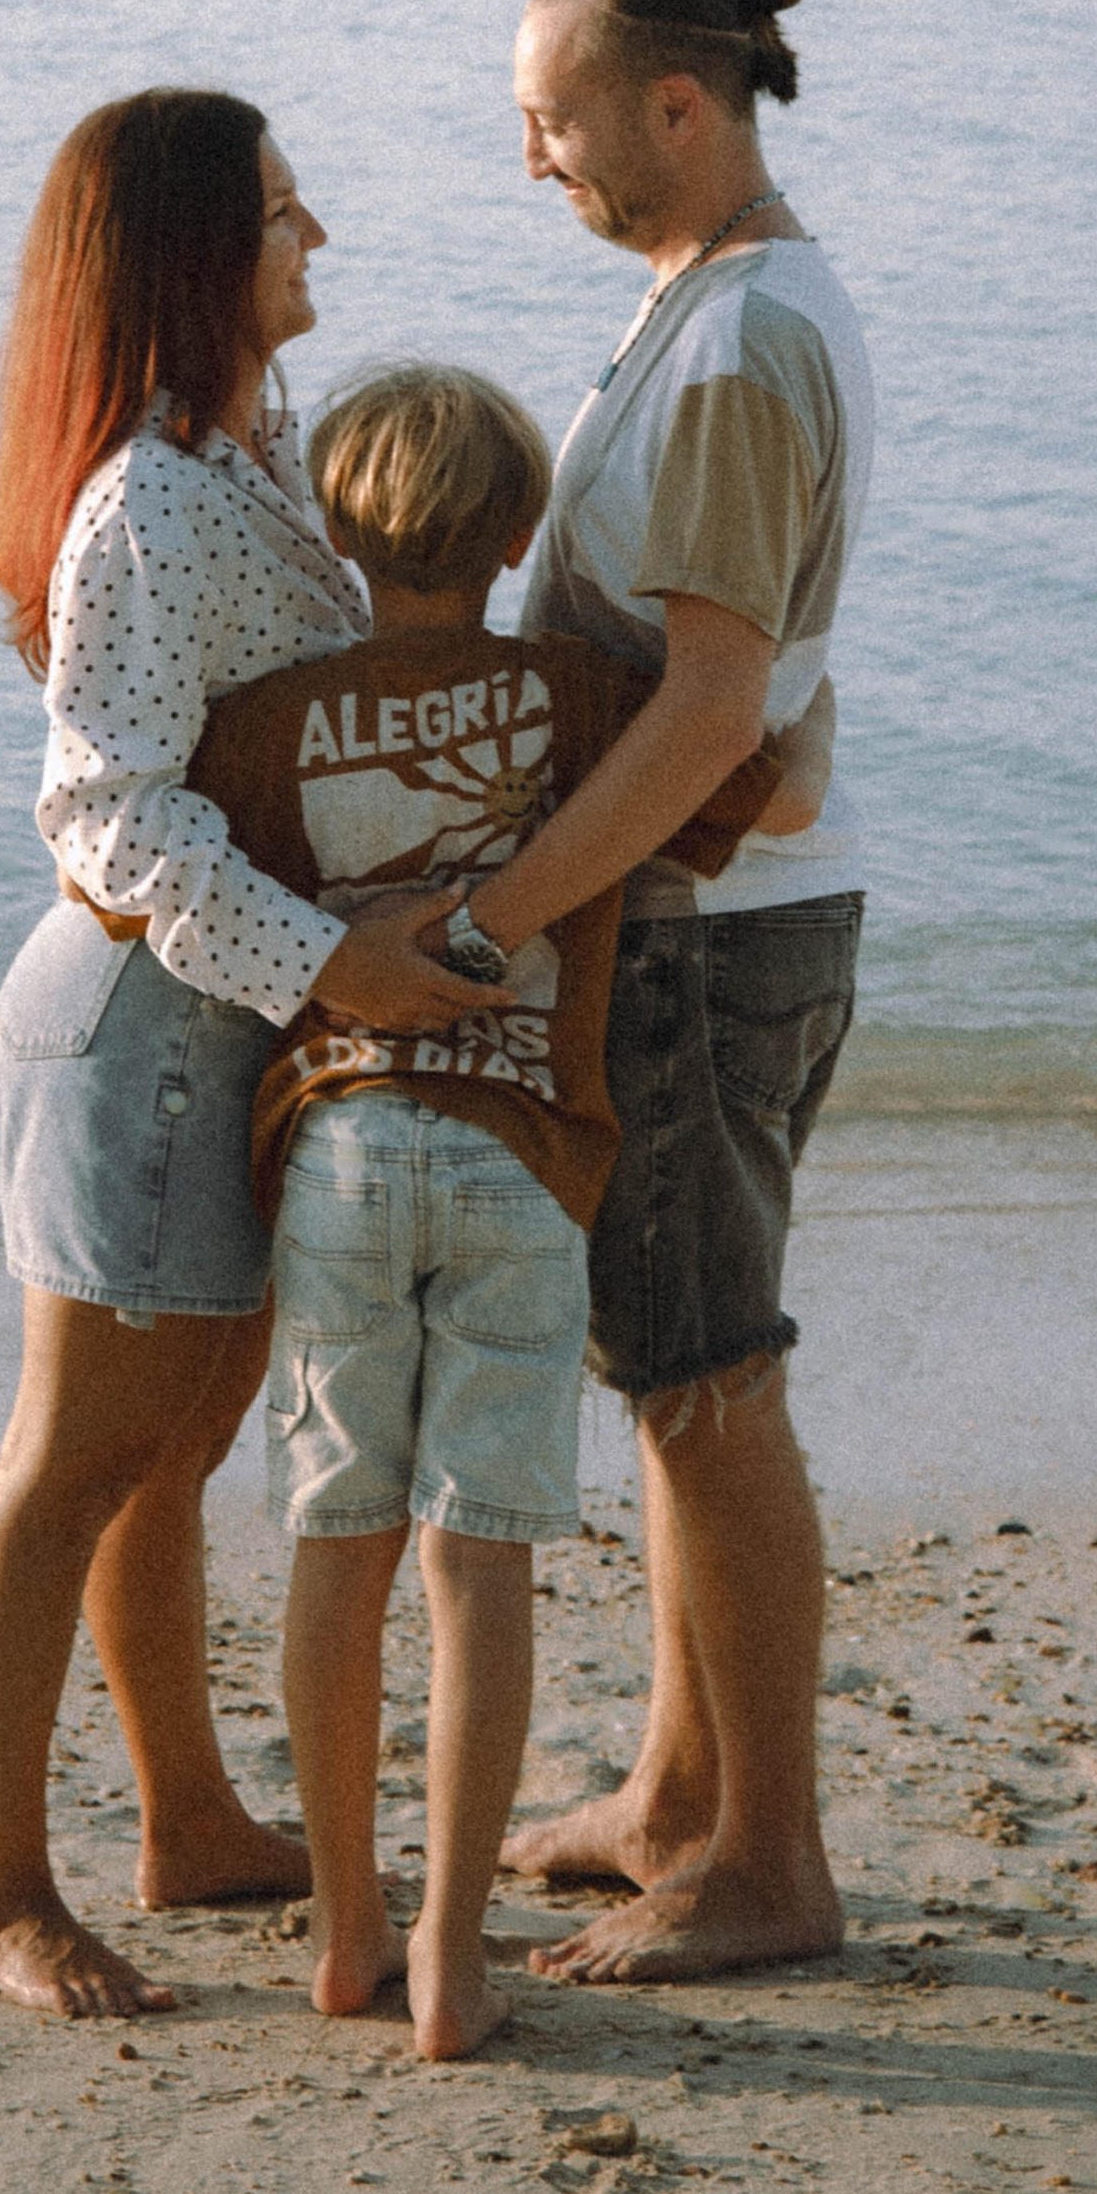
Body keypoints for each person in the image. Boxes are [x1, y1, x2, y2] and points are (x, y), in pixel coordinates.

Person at [0, 91, 507, 2023]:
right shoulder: (149, 500)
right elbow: (100, 807)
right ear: (195, 251)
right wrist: (331, 954)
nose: (321, 236)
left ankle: (184, 1820)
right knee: (76, 1460)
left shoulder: (247, 448)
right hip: (135, 1024)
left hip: (241, 1025)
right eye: (281, 214)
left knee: (173, 1451)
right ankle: (0, 1890)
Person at [182, 361, 790, 2057]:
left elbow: (162, 883)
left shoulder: (270, 719)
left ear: (333, 531)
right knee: (478, 1560)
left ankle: (349, 1925)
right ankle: (454, 1948)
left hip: (339, 1150)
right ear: (523, 530)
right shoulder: (583, 691)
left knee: (334, 1537)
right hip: (523, 1159)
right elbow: (756, 773)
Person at [407, 0, 875, 1986]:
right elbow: (729, 707)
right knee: (671, 1364)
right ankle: (678, 1793)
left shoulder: (735, 342)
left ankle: (766, 1855)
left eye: (551, 117)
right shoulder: (709, 308)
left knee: (703, 1387)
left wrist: (480, 923)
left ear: (671, 105)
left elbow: (709, 711)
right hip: (700, 924)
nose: (532, 158)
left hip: (697, 944)